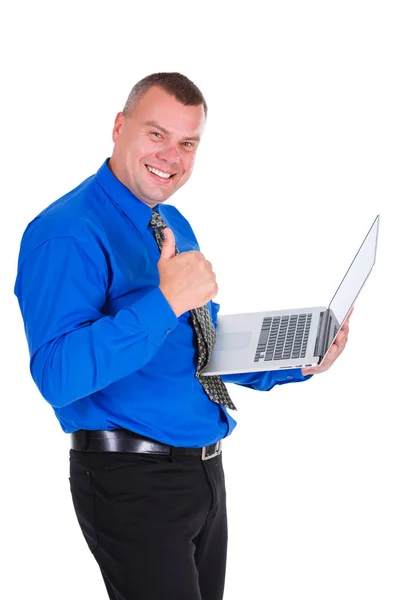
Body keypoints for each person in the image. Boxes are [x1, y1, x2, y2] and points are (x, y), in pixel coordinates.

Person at [14, 72, 351, 600]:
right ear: (119, 127)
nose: (172, 156)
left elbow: (198, 342)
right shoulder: (65, 232)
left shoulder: (169, 222)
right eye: (156, 135)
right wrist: (166, 300)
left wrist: (297, 357)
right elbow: (57, 375)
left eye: (187, 143)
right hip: (130, 479)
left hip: (202, 473)